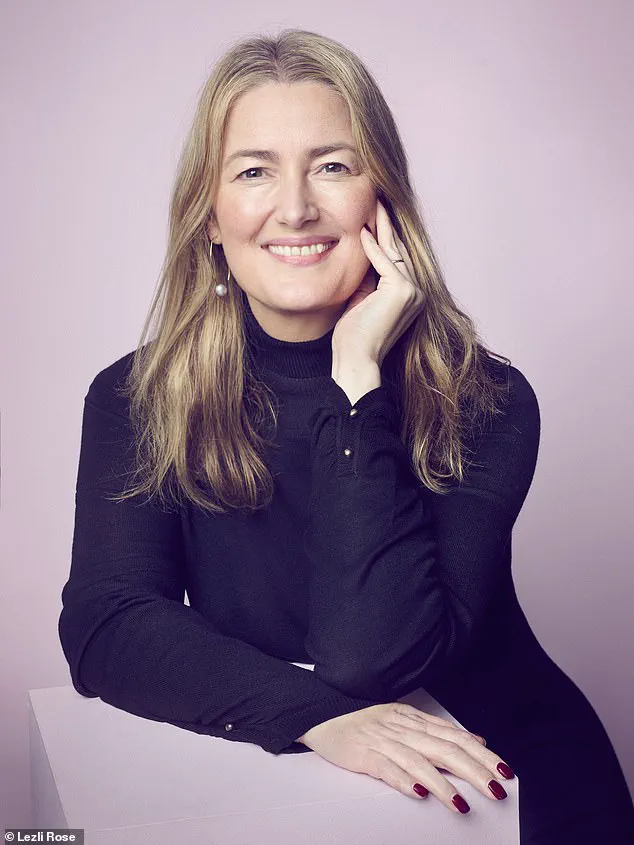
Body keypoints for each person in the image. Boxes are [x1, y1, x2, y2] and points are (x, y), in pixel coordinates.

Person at [58, 28, 634, 843]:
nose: (295, 207)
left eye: (332, 166)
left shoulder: (485, 399)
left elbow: (372, 659)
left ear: (383, 200)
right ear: (210, 217)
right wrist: (316, 718)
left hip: (512, 789)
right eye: (253, 171)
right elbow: (107, 622)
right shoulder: (138, 396)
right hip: (311, 802)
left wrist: (355, 376)